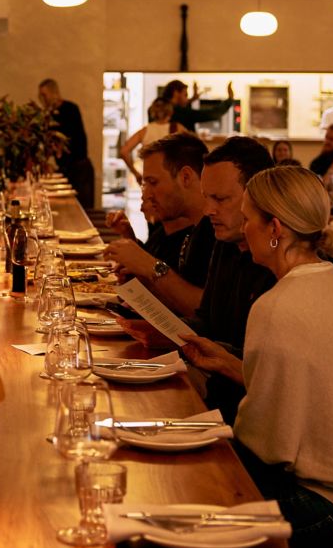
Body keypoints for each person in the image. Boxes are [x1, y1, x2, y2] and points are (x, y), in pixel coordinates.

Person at [181, 165, 333, 548]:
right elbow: (318, 389)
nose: (243, 231)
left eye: (248, 219)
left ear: (275, 228)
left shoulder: (277, 305)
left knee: (188, 502)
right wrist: (233, 366)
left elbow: (266, 442)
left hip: (331, 507)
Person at [193, 137, 275, 422]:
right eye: (206, 197)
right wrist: (163, 330)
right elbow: (207, 321)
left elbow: (277, 378)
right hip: (217, 402)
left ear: (259, 197)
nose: (208, 211)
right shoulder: (225, 244)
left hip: (256, 419)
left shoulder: (280, 264)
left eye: (221, 199)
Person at [104, 132, 214, 319]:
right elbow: (176, 301)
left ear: (186, 177)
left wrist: (150, 266)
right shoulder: (198, 229)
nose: (147, 194)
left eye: (152, 182)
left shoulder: (216, 229)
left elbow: (205, 312)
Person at [37, 78, 94, 208]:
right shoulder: (48, 114)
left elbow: (74, 140)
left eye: (44, 95)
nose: (42, 99)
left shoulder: (71, 110)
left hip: (79, 168)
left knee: (82, 208)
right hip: (65, 167)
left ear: (53, 92)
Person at [117, 98, 176, 186]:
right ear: (170, 112)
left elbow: (123, 152)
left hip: (150, 179)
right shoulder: (176, 129)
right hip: (170, 177)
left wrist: (136, 173)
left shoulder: (145, 131)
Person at [161, 78, 235, 134]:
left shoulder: (159, 108)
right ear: (176, 93)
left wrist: (192, 99)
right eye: (185, 95)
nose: (187, 99)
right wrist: (230, 100)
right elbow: (212, 114)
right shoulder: (178, 112)